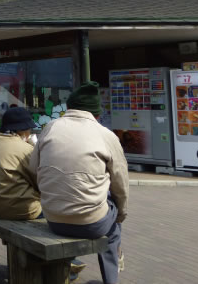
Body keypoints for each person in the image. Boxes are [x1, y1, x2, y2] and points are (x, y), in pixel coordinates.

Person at [30, 82, 129, 284]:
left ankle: (70, 268)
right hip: (93, 224)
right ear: (97, 113)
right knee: (113, 228)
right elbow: (120, 184)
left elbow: (33, 168)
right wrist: (120, 215)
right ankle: (111, 279)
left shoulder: (50, 128)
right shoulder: (106, 135)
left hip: (54, 219)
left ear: (69, 108)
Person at [0, 107, 86, 281]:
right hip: (20, 210)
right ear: (22, 129)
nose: (30, 131)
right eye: (28, 128)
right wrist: (34, 149)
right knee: (63, 213)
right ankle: (66, 259)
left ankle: (60, 259)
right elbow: (42, 182)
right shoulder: (23, 149)